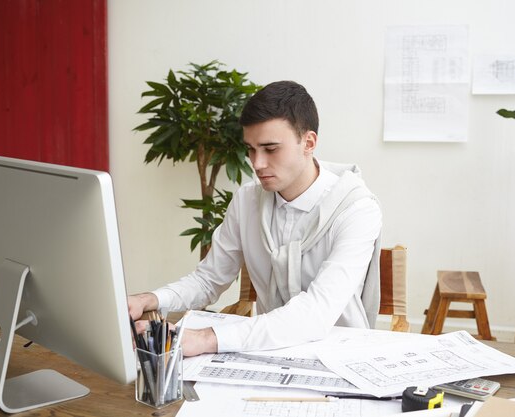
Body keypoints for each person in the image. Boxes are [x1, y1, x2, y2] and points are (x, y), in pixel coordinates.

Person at [128, 80, 382, 357]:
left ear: (308, 142)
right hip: (264, 353)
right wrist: (150, 298)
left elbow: (315, 313)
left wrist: (205, 339)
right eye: (251, 149)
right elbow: (208, 280)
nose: (257, 163)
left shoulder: (357, 210)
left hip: (340, 357)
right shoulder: (247, 201)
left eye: (271, 149)